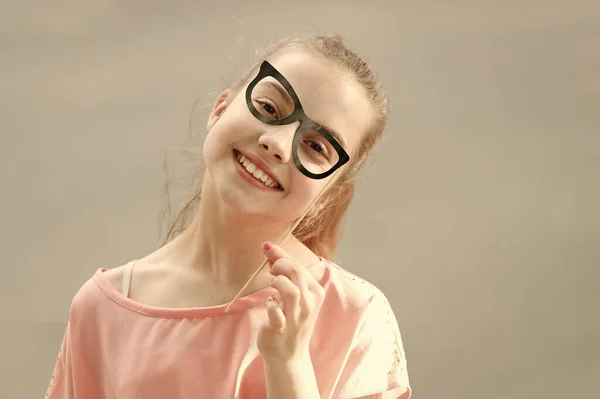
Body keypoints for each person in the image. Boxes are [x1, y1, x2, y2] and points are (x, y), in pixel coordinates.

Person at [46, 34, 412, 399]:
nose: (277, 143)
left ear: (326, 195)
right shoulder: (101, 310)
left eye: (316, 146)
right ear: (220, 109)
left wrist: (289, 363)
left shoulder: (356, 317)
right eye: (270, 108)